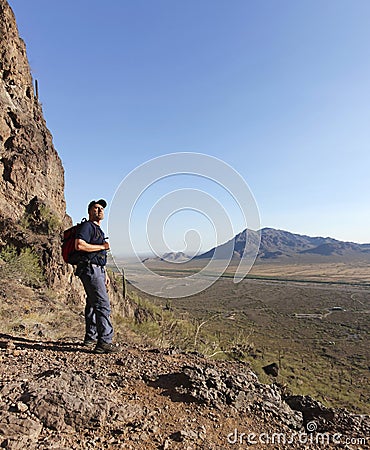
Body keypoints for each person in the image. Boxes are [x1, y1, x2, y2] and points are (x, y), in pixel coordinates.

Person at [74, 199, 119, 354]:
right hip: (90, 269)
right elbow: (79, 245)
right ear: (89, 211)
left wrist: (104, 272)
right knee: (102, 304)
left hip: (96, 269)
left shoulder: (97, 229)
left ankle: (90, 338)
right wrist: (103, 246)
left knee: (93, 303)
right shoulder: (87, 226)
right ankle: (104, 342)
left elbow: (98, 255)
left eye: (101, 209)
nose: (99, 210)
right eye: (96, 208)